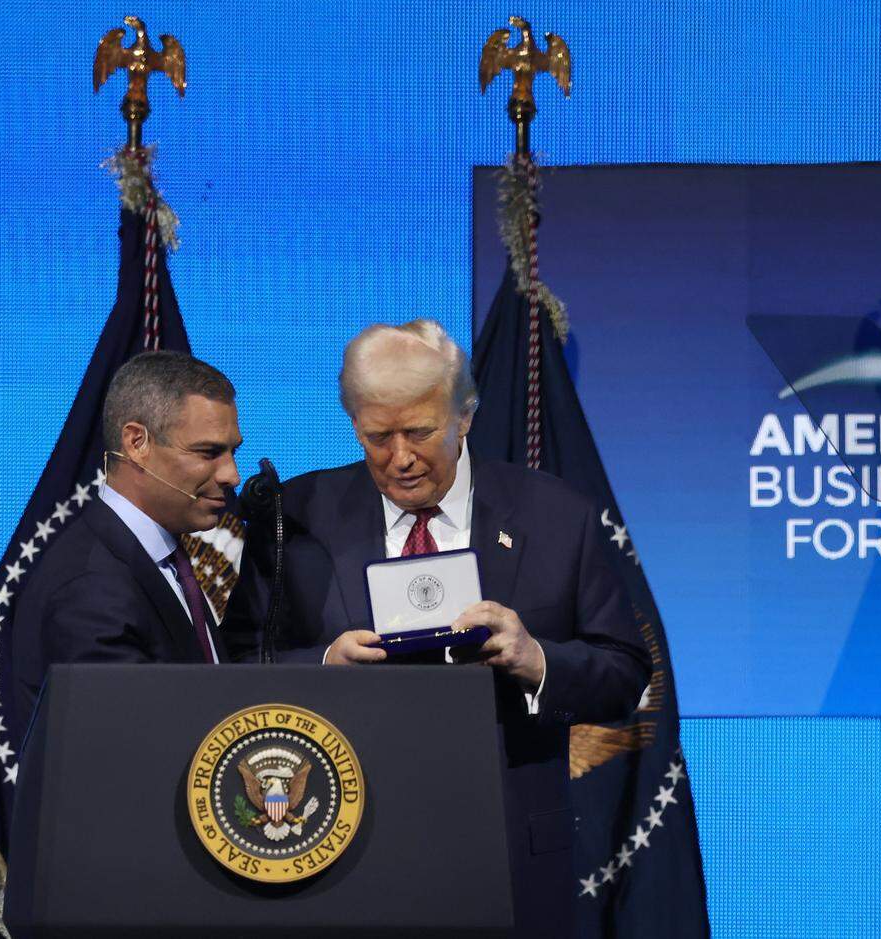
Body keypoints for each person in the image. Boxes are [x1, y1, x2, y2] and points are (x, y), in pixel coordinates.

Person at [224, 320, 650, 936]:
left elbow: (626, 670)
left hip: (508, 852)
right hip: (337, 852)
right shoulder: (296, 518)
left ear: (465, 416)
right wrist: (322, 671)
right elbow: (236, 664)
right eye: (377, 436)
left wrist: (537, 662)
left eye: (420, 432)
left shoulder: (558, 516)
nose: (400, 457)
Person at [11, 351, 242, 745]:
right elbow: (124, 750)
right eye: (208, 453)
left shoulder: (161, 559)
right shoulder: (91, 585)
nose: (231, 475)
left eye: (232, 451)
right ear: (137, 442)